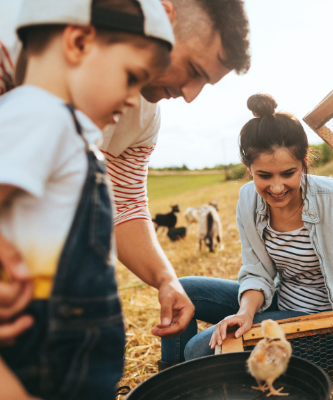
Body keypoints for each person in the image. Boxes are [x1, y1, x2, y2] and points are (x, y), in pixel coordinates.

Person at [0, 0, 251, 346]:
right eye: (194, 70)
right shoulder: (14, 39)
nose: (191, 96)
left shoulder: (142, 116)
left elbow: (125, 201)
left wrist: (166, 278)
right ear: (164, 16)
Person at [160, 94, 333, 398]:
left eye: (288, 173)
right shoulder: (248, 200)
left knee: (200, 348)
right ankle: (171, 391)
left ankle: (298, 370)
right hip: (280, 303)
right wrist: (245, 312)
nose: (277, 187)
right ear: (248, 167)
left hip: (328, 324)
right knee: (183, 291)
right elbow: (256, 270)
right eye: (264, 176)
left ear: (304, 160)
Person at [0, 0, 174, 398]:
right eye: (131, 77)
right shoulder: (40, 116)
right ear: (78, 42)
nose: (135, 99)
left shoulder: (65, 128)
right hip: (41, 363)